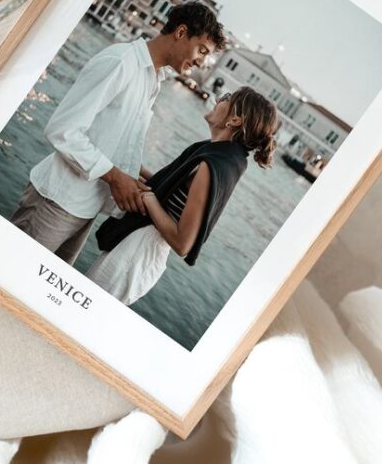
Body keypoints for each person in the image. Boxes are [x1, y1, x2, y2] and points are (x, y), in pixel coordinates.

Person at [11, 1, 226, 264]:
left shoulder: (152, 80)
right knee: (11, 271)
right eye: (202, 51)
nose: (202, 62)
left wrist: (146, 179)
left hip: (88, 207)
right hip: (56, 201)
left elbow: (113, 140)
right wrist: (115, 178)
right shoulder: (120, 62)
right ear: (181, 32)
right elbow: (63, 130)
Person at [87, 87, 279, 306]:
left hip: (137, 253)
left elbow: (182, 243)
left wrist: (150, 200)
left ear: (235, 120)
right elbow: (174, 190)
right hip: (140, 249)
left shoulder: (212, 165)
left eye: (226, 98)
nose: (218, 98)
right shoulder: (225, 157)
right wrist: (133, 166)